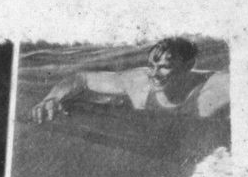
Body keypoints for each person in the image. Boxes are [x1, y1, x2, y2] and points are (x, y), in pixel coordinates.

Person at [32, 38, 229, 122]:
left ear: (188, 65)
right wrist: (52, 98)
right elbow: (81, 78)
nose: (154, 74)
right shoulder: (140, 82)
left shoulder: (217, 87)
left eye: (164, 67)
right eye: (152, 65)